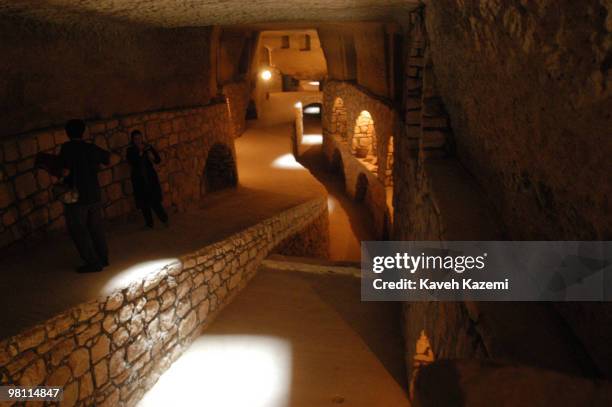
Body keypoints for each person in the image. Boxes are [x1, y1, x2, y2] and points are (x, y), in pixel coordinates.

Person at [59, 119, 111, 273]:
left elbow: (65, 171)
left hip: (77, 198)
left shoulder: (67, 148)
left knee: (79, 230)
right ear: (83, 132)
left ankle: (93, 262)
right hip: (94, 194)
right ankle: (103, 258)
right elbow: (110, 158)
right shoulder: (90, 148)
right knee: (96, 228)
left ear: (68, 133)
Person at [126, 130, 168, 229]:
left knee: (155, 201)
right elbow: (133, 162)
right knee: (144, 203)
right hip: (139, 180)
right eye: (136, 139)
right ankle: (149, 224)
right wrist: (140, 153)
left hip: (150, 179)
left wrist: (152, 155)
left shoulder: (148, 147)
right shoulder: (130, 150)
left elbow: (158, 160)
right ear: (132, 140)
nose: (138, 141)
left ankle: (164, 220)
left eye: (140, 138)